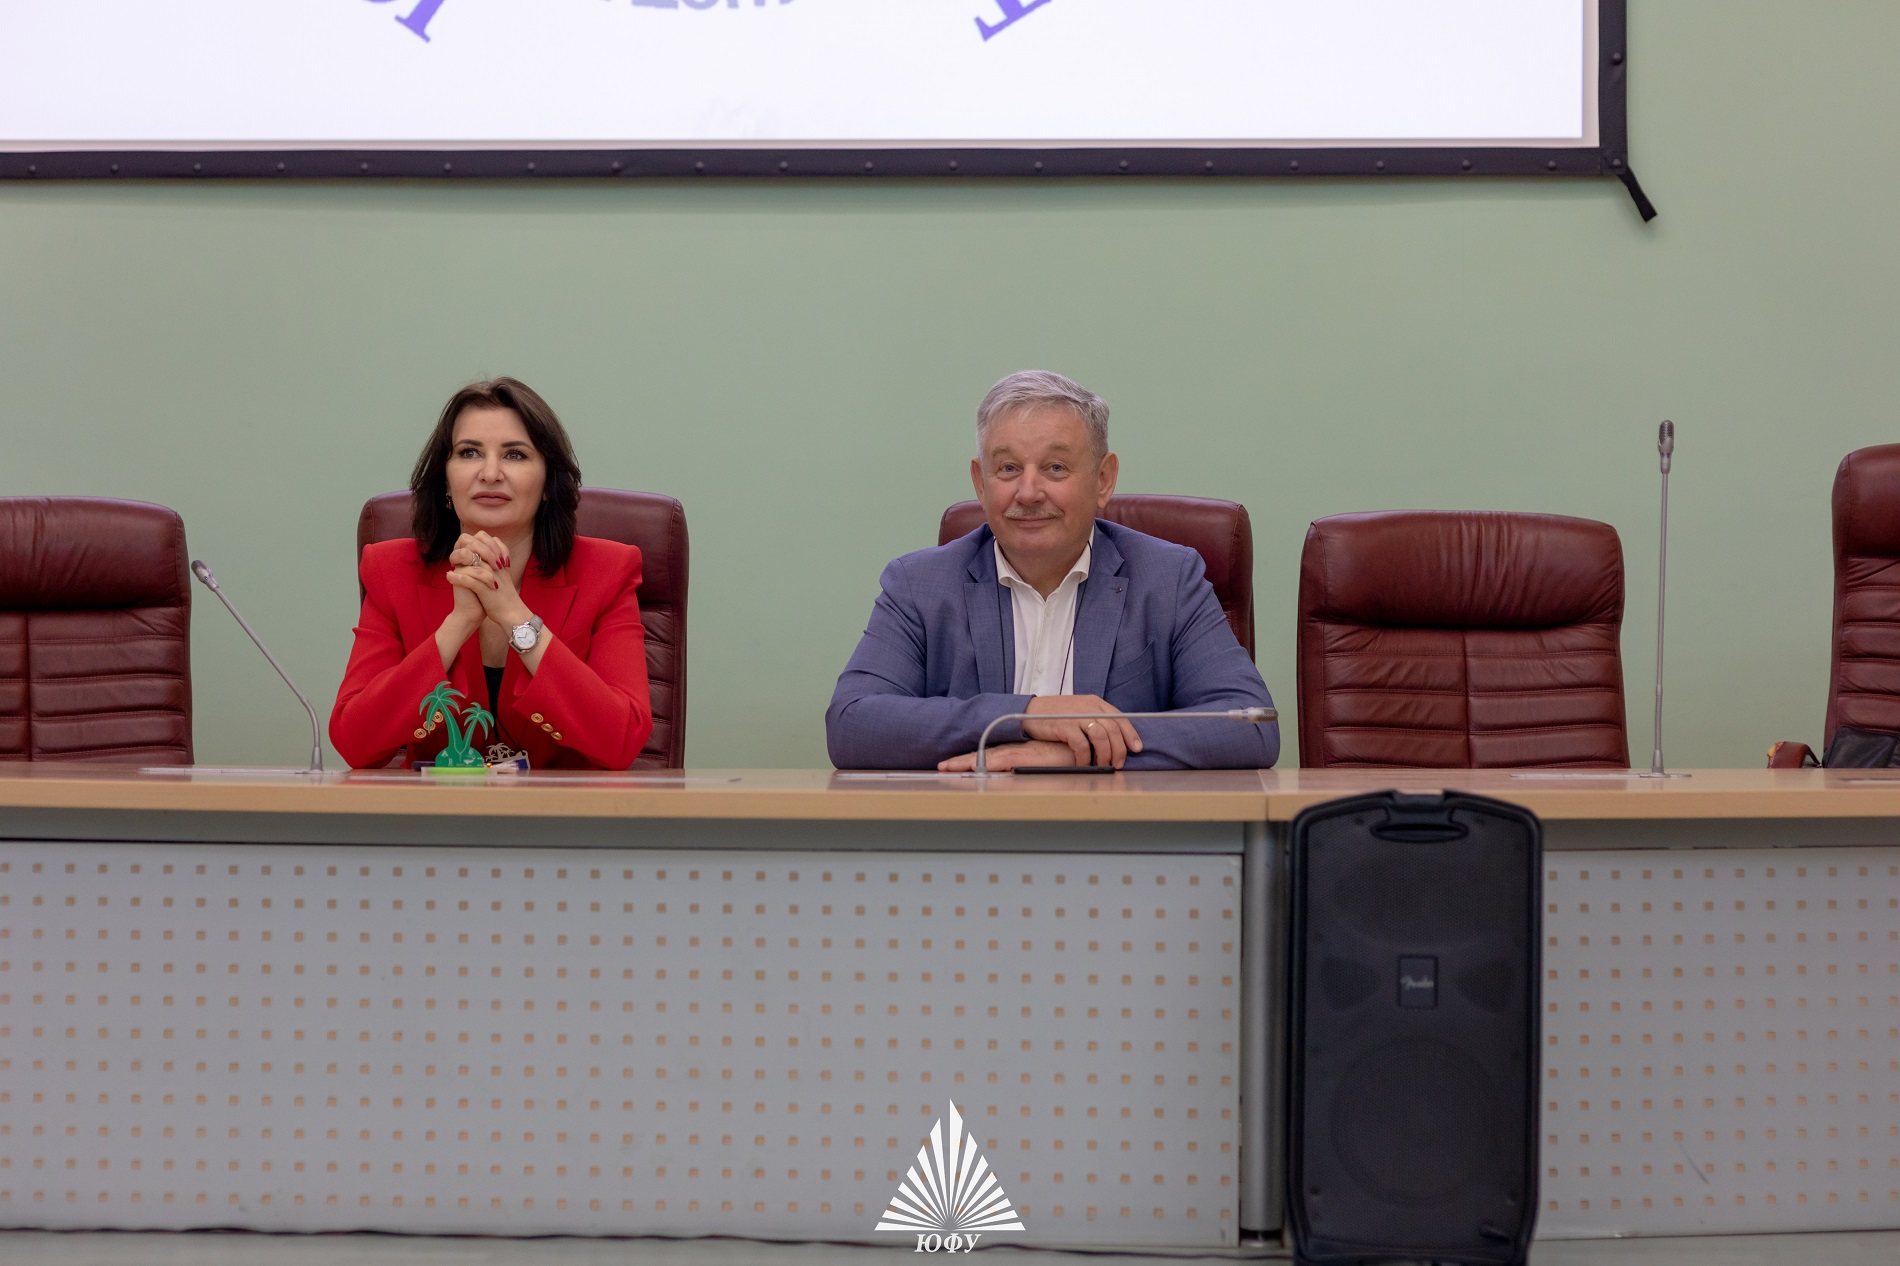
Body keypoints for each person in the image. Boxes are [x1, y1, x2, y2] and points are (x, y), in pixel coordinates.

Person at [826, 370, 1278, 772]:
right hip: (968, 830)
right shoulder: (918, 585)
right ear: (980, 483)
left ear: (1103, 480)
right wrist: (1027, 715)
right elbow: (852, 724)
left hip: (1116, 832)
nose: (1028, 492)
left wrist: (1076, 752)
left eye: (1055, 468)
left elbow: (1251, 724)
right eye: (1007, 468)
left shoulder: (1167, 579)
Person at [331, 378, 653, 770]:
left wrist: (514, 615)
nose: (490, 473)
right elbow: (355, 743)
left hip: (561, 807)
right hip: (437, 809)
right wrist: (458, 624)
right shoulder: (391, 571)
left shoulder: (607, 572)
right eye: (469, 453)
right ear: (445, 481)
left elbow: (621, 740)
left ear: (548, 483)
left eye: (515, 455)